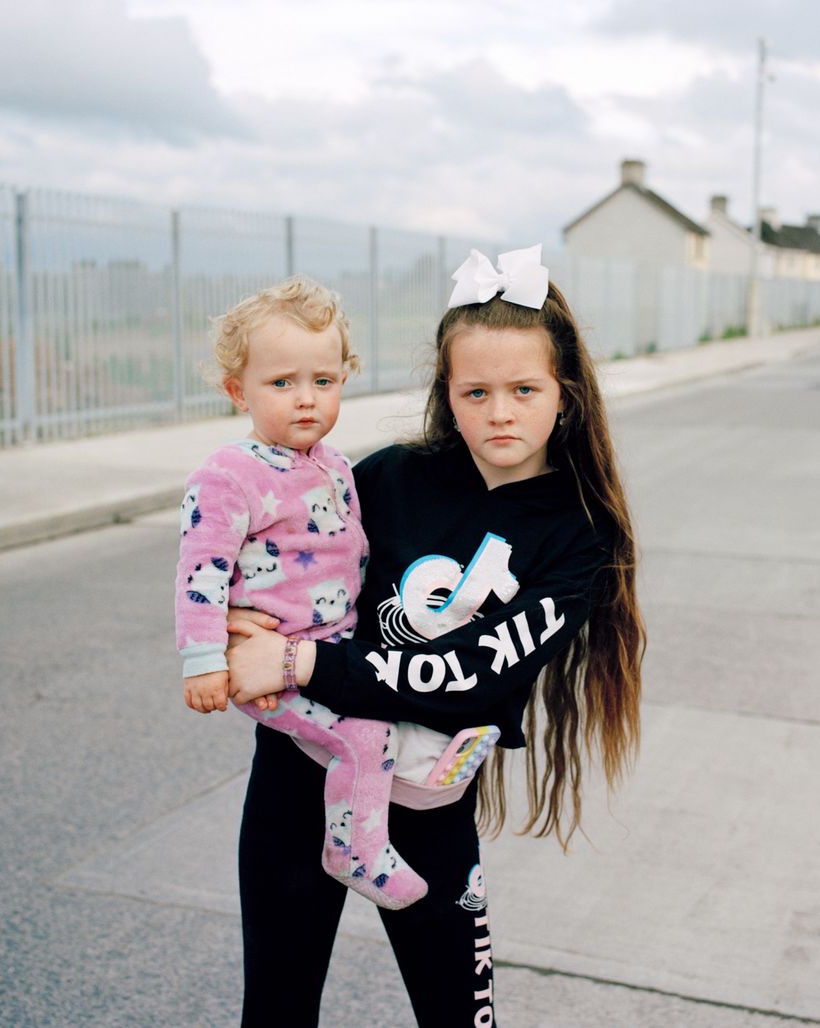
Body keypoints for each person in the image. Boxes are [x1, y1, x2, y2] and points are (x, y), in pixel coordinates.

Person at [227, 244, 645, 1027]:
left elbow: (472, 678)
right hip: (299, 779)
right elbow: (273, 558)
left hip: (425, 805)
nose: (500, 412)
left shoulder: (580, 534)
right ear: (447, 395)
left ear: (566, 395)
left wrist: (297, 660)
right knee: (275, 1010)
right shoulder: (385, 478)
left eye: (525, 389)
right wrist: (233, 618)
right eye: (475, 391)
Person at [175, 276, 428, 910]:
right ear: (239, 391)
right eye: (282, 383)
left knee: (392, 718)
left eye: (323, 380)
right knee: (366, 738)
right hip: (271, 662)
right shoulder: (229, 474)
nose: (306, 399)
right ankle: (354, 850)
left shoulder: (334, 464)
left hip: (331, 647)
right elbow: (201, 570)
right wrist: (203, 659)